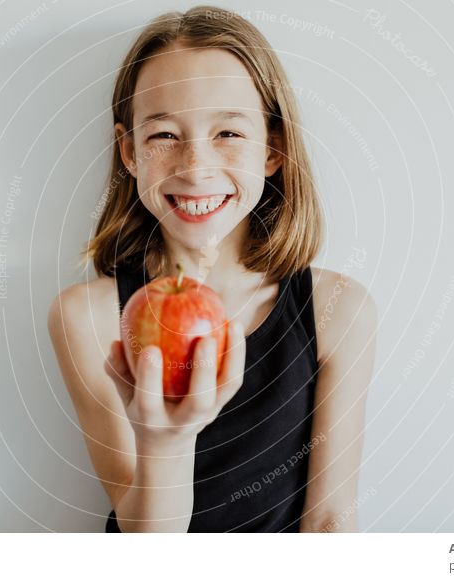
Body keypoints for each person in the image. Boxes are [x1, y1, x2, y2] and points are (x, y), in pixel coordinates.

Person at [47, 5, 378, 533]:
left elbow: (331, 523)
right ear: (129, 152)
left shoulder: (338, 311)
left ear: (274, 148)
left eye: (228, 133)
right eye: (163, 136)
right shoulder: (88, 318)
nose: (195, 167)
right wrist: (167, 442)